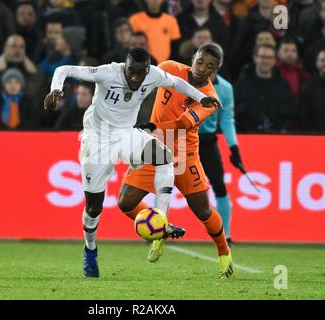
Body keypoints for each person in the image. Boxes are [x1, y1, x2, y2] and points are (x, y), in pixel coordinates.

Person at [44, 47, 222, 278]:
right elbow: (64, 69)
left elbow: (178, 84)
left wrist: (201, 97)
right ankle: (90, 249)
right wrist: (55, 89)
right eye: (132, 72)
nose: (136, 78)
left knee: (165, 156)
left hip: (126, 134)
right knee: (93, 207)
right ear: (125, 67)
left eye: (141, 73)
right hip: (98, 140)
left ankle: (161, 220)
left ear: (147, 70)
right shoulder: (108, 72)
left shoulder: (154, 74)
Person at [118, 44, 233, 279]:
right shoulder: (169, 68)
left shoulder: (210, 99)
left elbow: (182, 124)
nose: (202, 69)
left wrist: (151, 127)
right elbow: (141, 84)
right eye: (200, 62)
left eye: (210, 66)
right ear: (193, 58)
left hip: (183, 154)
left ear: (217, 69)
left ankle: (224, 252)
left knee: (202, 210)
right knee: (125, 202)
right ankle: (161, 228)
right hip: (154, 149)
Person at [198, 68, 242, 245]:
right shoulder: (184, 81)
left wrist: (234, 147)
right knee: (166, 183)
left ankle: (226, 235)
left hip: (208, 142)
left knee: (220, 187)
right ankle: (159, 232)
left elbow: (227, 119)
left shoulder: (225, 88)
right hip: (182, 139)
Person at [235, 44, 295, 132]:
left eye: (270, 57)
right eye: (263, 57)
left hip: (277, 134)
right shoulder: (242, 84)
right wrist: (249, 108)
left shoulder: (283, 85)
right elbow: (233, 110)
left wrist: (275, 109)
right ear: (255, 58)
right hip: (247, 134)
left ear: (275, 60)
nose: (266, 61)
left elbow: (291, 111)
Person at [129, 0, 181, 64]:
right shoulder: (134, 20)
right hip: (141, 63)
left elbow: (175, 48)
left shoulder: (171, 21)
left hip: (165, 66)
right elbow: (129, 45)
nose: (154, 1)